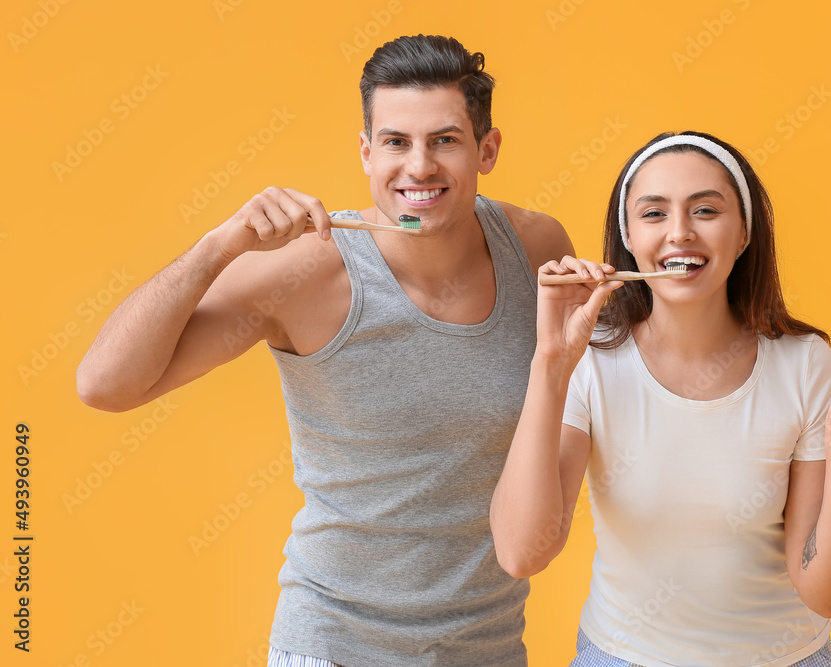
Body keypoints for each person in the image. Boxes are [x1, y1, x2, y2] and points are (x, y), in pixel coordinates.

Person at [77, 35, 573, 667]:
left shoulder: (535, 246)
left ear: (488, 148)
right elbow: (103, 385)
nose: (418, 166)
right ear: (367, 153)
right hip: (334, 644)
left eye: (444, 140)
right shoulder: (305, 271)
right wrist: (216, 248)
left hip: (489, 648)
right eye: (395, 142)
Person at [490, 131, 831, 666]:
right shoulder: (589, 361)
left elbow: (824, 592)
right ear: (629, 238)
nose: (680, 233)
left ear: (744, 235)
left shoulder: (802, 362)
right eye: (654, 214)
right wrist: (551, 362)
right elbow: (522, 552)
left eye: (706, 210)